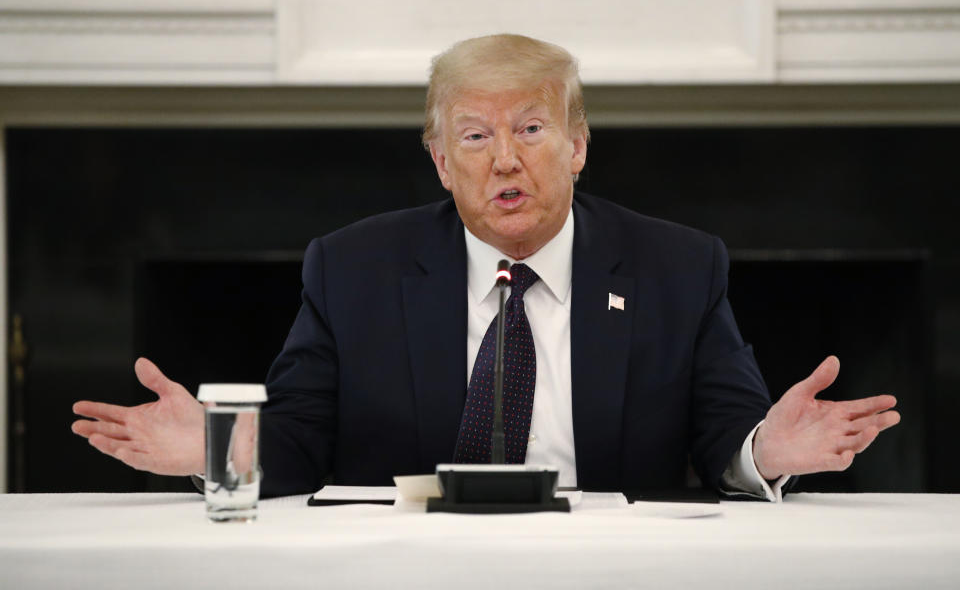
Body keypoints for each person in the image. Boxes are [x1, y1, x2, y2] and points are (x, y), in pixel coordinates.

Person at [72, 34, 900, 500]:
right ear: (440, 161)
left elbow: (726, 436)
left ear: (577, 146)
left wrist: (770, 450)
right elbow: (296, 440)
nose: (505, 161)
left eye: (532, 131)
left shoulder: (677, 266)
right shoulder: (353, 267)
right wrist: (212, 449)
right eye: (475, 137)